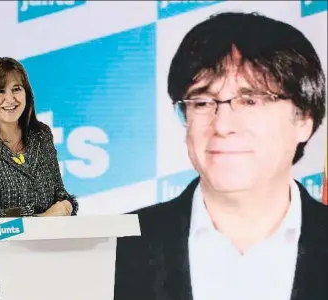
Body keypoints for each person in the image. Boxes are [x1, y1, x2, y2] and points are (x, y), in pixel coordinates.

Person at [114, 12, 328, 300]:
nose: (223, 125)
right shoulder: (113, 249)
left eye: (250, 101)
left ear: (304, 118)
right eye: (202, 102)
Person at [0, 57, 78, 300]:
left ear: (27, 94)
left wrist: (67, 205)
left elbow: (59, 195)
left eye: (16, 89)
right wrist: (37, 219)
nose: (10, 99)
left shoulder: (41, 136)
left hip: (36, 271)